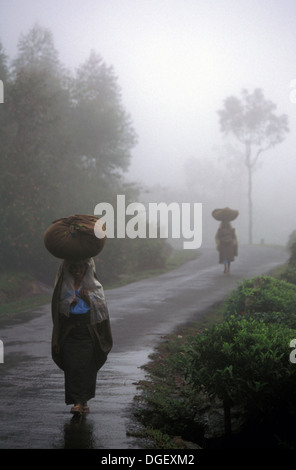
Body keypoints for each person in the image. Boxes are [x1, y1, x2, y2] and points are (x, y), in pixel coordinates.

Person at [51, 257, 112, 414]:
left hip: (88, 333)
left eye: (81, 267)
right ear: (69, 269)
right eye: (74, 268)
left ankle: (83, 402)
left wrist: (88, 299)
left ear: (86, 268)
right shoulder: (64, 287)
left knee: (87, 368)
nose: (77, 271)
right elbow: (58, 311)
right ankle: (77, 402)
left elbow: (101, 309)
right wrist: (69, 303)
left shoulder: (93, 286)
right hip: (70, 333)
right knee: (72, 368)